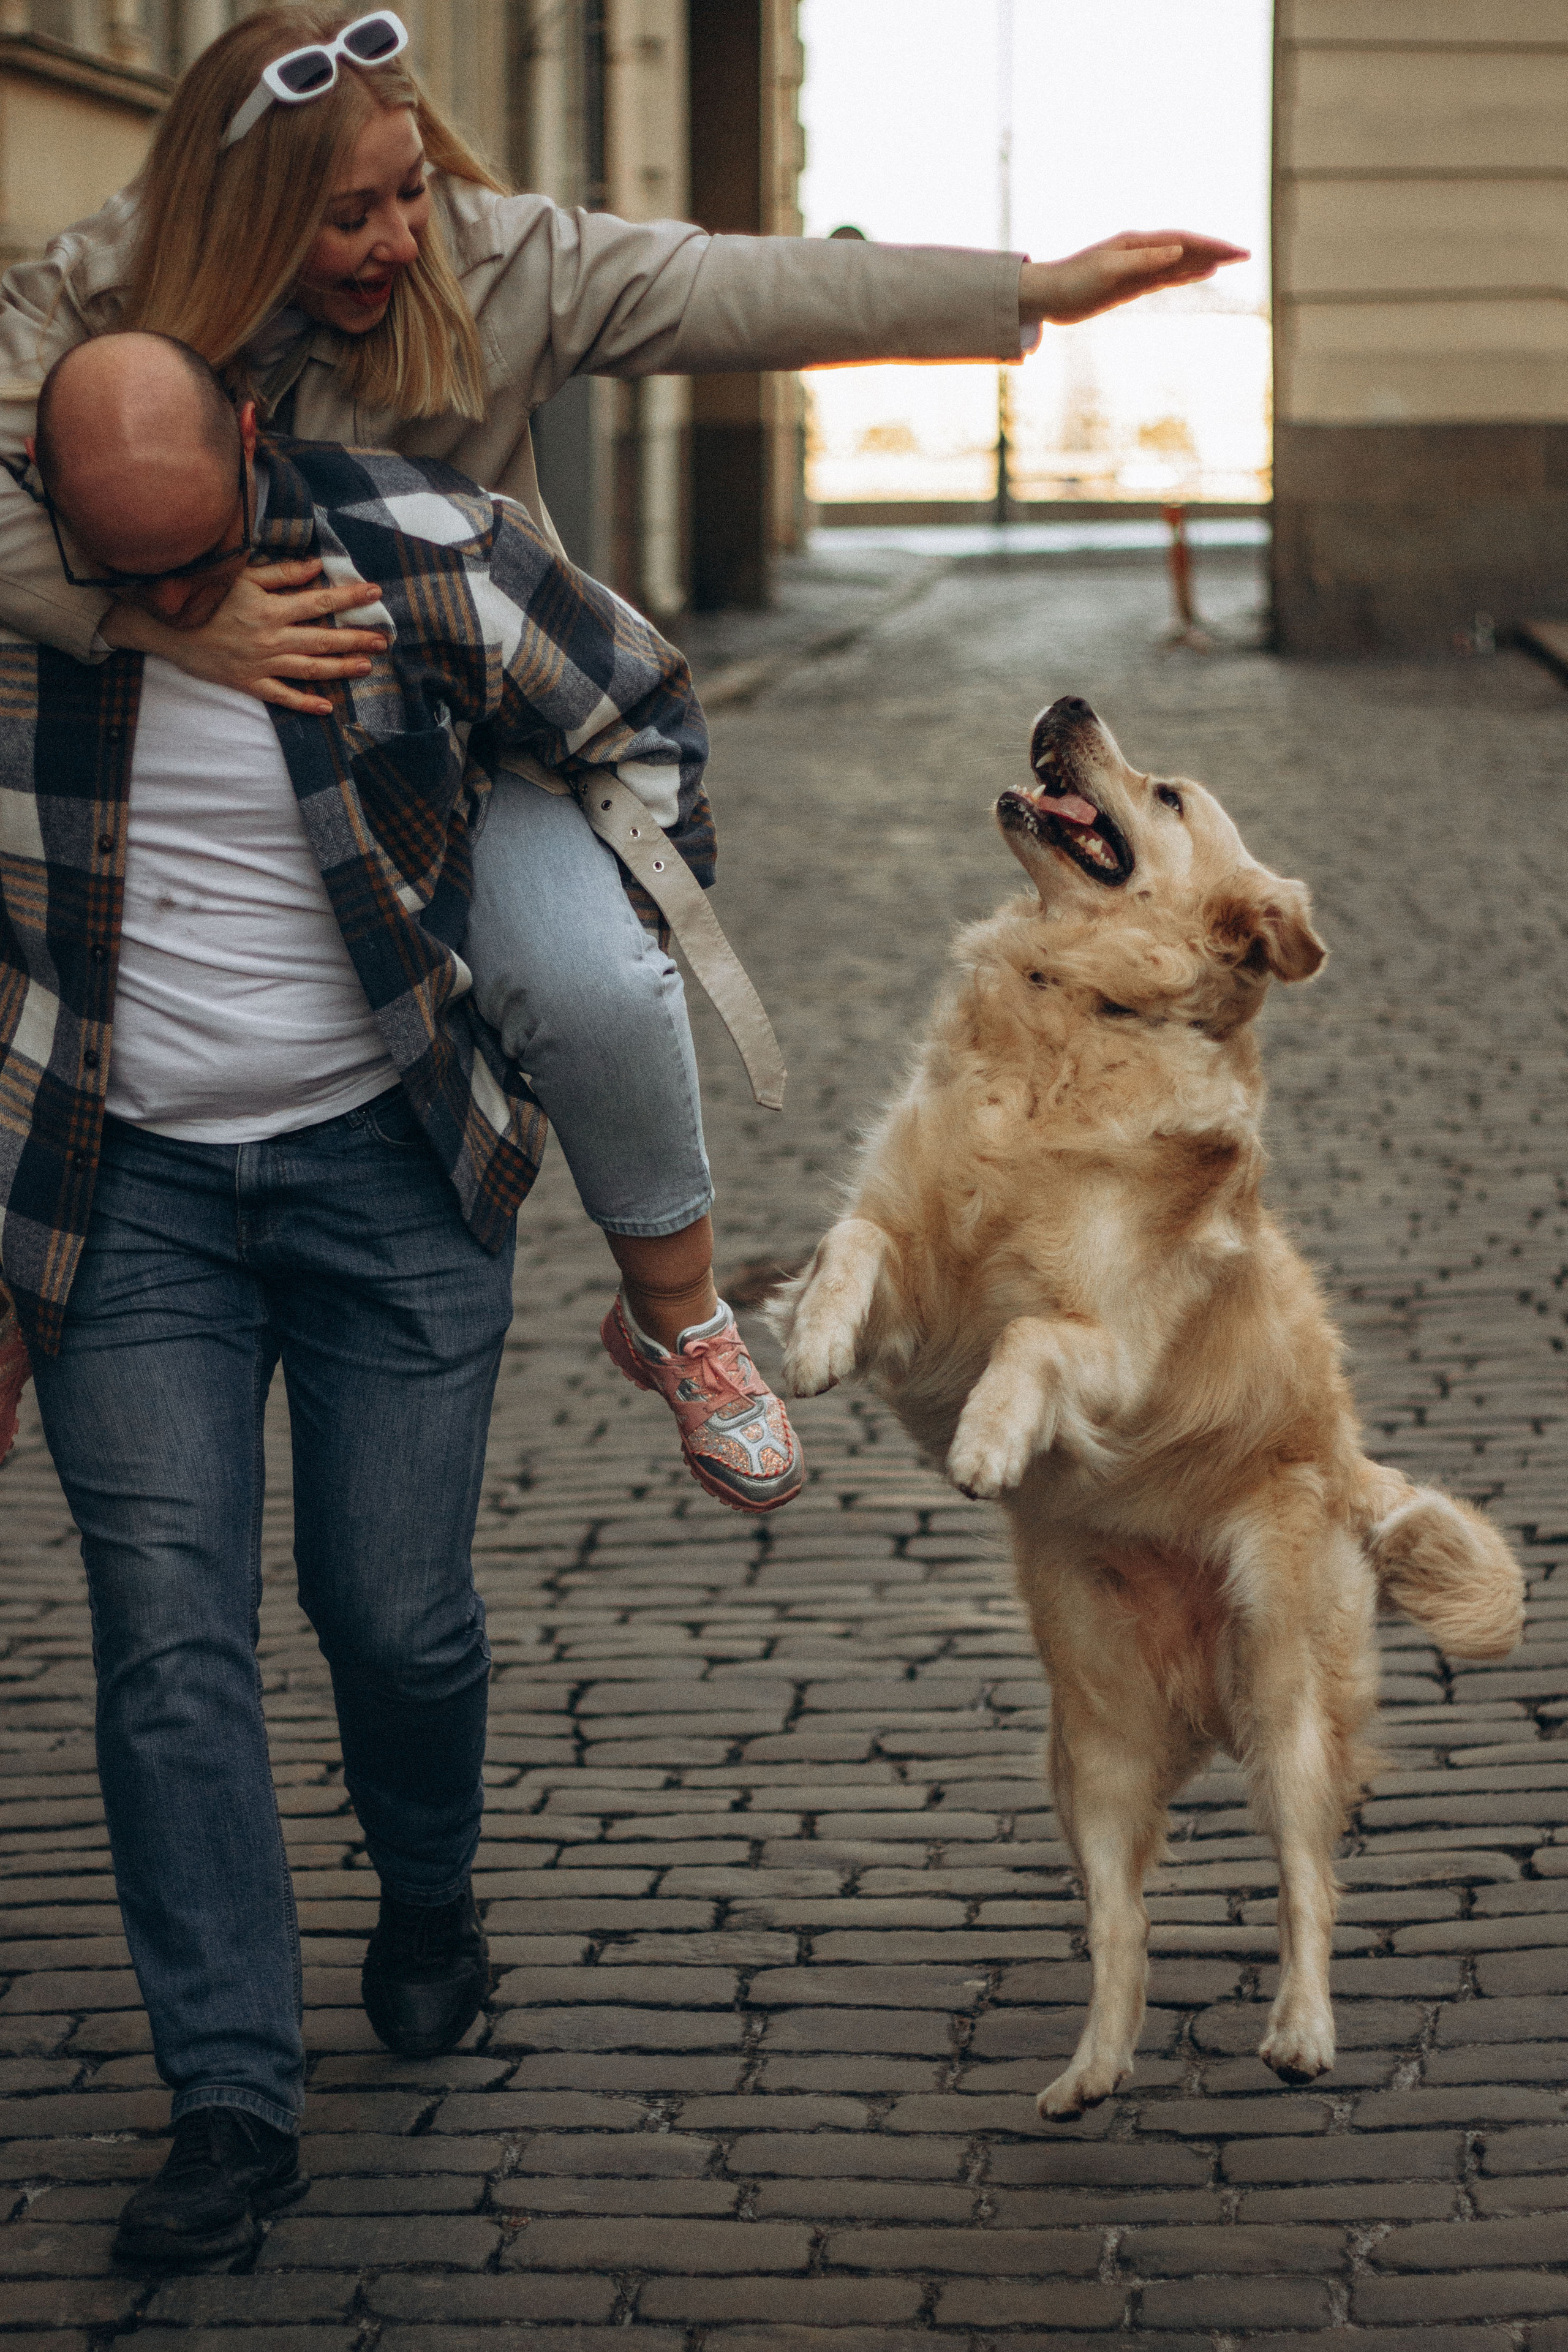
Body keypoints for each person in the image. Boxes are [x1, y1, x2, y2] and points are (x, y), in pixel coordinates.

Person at [0, 5, 1248, 1496]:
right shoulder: (102, 291)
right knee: (55, 996)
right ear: (251, 214)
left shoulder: (494, 263)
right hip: (185, 752)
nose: (400, 236)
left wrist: (1027, 290)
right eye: (350, 214)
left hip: (464, 750)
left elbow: (734, 286)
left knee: (593, 978)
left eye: (411, 190)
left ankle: (677, 1315)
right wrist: (151, 625)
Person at [7, 326, 727, 2269]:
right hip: (124, 1198)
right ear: (45, 508)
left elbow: (646, 721)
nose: (175, 598)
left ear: (256, 442)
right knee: (166, 1636)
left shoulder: (425, 552)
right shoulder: (29, 621)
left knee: (392, 1616)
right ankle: (231, 2097)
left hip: (391, 1164)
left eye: (199, 554)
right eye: (127, 569)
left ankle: (428, 1892)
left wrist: (579, 937)